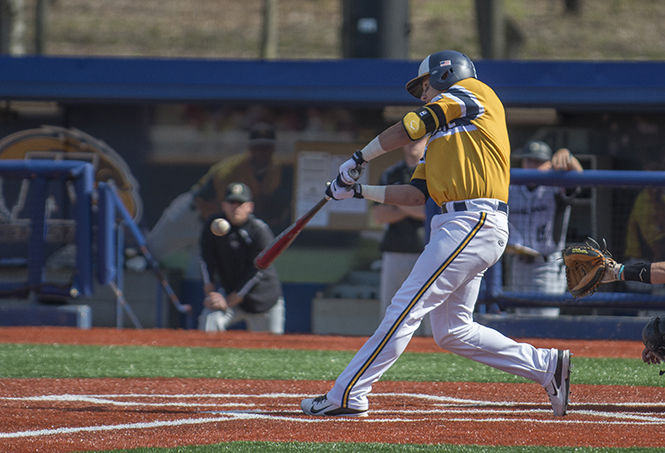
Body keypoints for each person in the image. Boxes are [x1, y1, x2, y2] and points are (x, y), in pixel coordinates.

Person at [300, 50, 570, 418]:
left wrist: (359, 158)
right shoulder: (446, 138)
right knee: (452, 331)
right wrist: (358, 191)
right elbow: (414, 194)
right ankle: (545, 365)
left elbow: (410, 126)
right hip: (458, 225)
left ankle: (348, 393)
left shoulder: (473, 92)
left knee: (405, 308)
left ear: (445, 74)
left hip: (472, 220)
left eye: (424, 86)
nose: (423, 95)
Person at [143, 121, 290, 277]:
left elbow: (260, 202)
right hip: (190, 214)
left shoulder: (275, 171)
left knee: (199, 278)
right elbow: (209, 202)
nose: (262, 152)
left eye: (266, 147)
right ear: (250, 148)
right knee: (150, 252)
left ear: (273, 148)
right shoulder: (230, 170)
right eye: (258, 147)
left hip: (216, 226)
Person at [505, 140, 584, 315]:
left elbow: (578, 177)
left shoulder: (556, 187)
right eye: (529, 160)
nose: (533, 165)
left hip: (546, 265)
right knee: (521, 324)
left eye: (538, 161)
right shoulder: (511, 187)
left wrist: (567, 156)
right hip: (518, 264)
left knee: (544, 322)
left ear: (549, 163)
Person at [198, 182, 285, 333]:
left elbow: (258, 269)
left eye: (240, 203)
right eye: (231, 202)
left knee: (271, 351)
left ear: (250, 207)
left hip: (263, 301)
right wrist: (210, 291)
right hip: (231, 295)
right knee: (211, 317)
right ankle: (208, 355)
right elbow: (206, 258)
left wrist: (236, 296)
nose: (235, 207)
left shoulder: (259, 231)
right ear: (224, 205)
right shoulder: (212, 225)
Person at [372, 138, 427, 321]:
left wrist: (396, 201)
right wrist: (411, 204)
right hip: (394, 249)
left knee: (426, 311)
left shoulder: (432, 172)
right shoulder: (391, 173)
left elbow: (428, 213)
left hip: (426, 252)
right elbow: (379, 215)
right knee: (391, 311)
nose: (413, 144)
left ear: (427, 141)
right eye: (409, 140)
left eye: (419, 139)